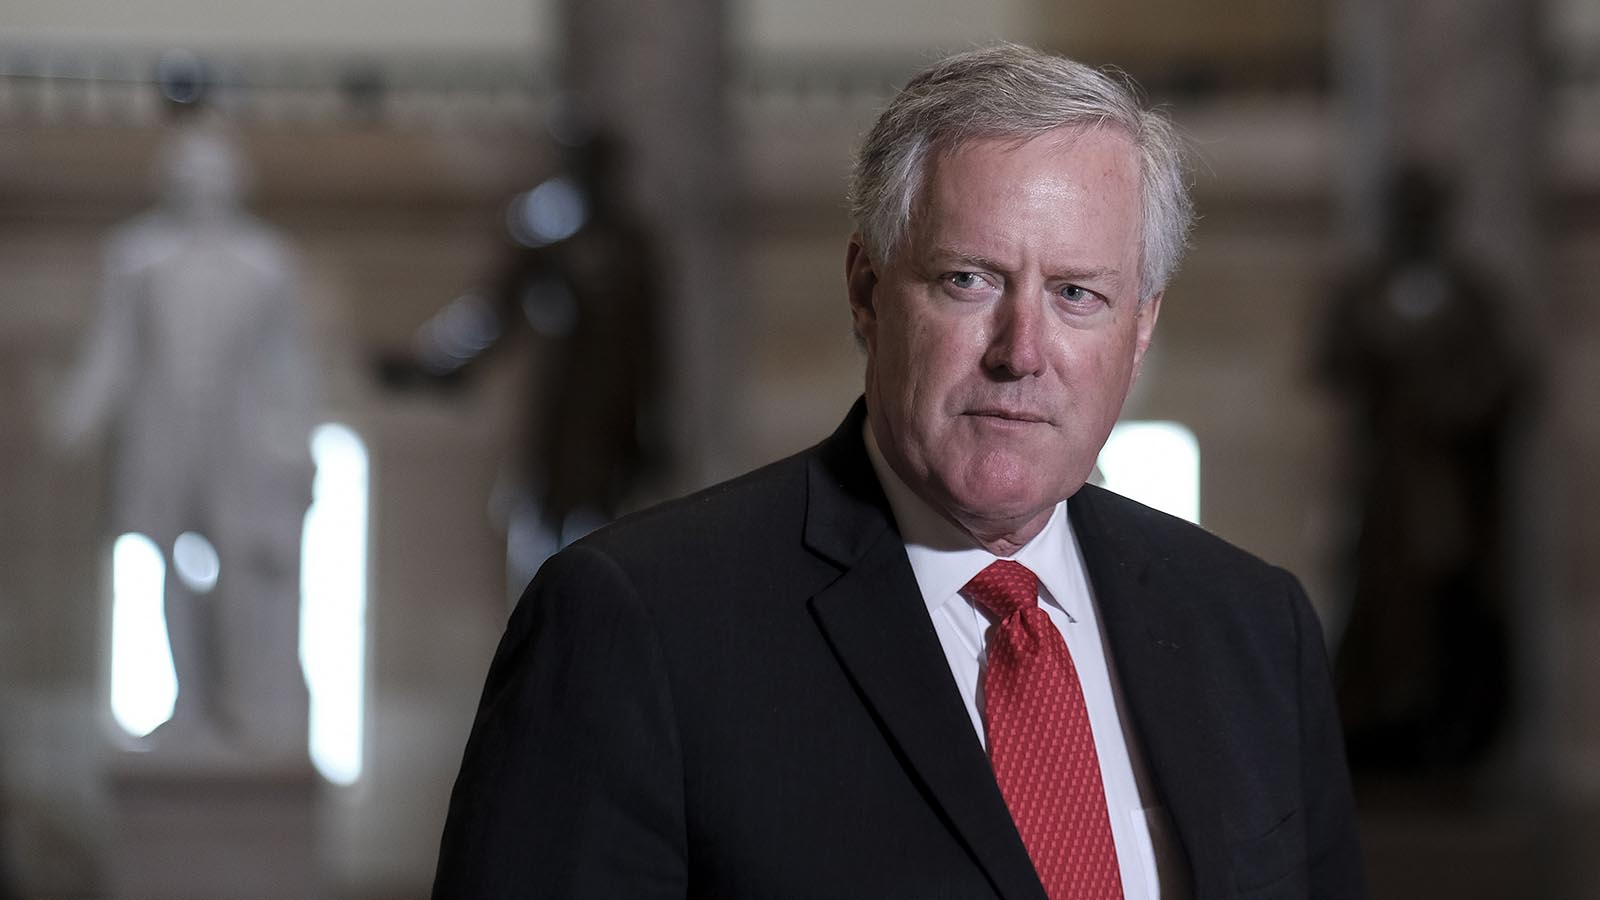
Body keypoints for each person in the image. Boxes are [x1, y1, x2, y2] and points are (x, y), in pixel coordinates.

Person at [431, 44, 1365, 899]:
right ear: (867, 293)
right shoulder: (637, 626)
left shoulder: (1252, 628)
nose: (1022, 350)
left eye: (1078, 294)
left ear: (1141, 330)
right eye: (971, 280)